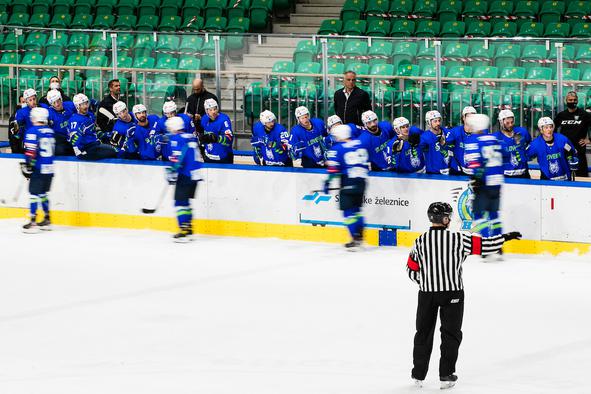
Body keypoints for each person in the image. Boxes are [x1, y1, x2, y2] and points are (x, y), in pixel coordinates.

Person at [407, 202, 522, 389]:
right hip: (453, 293)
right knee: (451, 334)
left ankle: (418, 375)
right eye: (448, 216)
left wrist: (426, 283)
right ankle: (445, 375)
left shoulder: (420, 241)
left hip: (426, 294)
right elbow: (486, 245)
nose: (450, 220)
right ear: (444, 219)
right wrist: (506, 237)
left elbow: (411, 270)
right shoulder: (458, 238)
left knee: (423, 333)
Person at [324, 124, 369, 250]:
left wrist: (327, 183)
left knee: (347, 212)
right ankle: (360, 233)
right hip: (362, 181)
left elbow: (333, 169)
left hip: (348, 182)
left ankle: (355, 237)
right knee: (357, 210)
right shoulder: (360, 144)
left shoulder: (338, 148)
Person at [463, 114, 505, 248]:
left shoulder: (474, 141)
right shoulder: (495, 139)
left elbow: (473, 163)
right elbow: (507, 156)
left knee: (478, 214)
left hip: (483, 182)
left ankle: (487, 244)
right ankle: (498, 245)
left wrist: (476, 178)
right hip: (497, 182)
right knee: (494, 214)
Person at [164, 116, 203, 242]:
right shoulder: (190, 137)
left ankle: (184, 231)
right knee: (185, 202)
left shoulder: (176, 139)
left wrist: (171, 171)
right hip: (196, 175)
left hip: (185, 174)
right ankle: (189, 229)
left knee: (179, 203)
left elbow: (177, 159)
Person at [21, 107, 56, 233]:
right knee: (43, 194)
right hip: (50, 169)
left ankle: (33, 222)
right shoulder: (50, 131)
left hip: (39, 169)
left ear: (35, 117)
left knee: (34, 195)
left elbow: (30, 152)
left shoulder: (32, 131)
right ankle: (47, 219)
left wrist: (28, 164)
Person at [68, 93, 118, 161]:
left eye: (86, 103)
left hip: (95, 144)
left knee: (116, 148)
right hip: (84, 150)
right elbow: (73, 141)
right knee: (113, 152)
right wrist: (79, 132)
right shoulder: (74, 120)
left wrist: (105, 134)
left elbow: (94, 131)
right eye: (82, 104)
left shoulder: (90, 115)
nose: (86, 106)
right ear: (77, 106)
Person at [553, 91, 590, 177]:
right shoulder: (561, 115)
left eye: (574, 100)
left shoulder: (585, 115)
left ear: (577, 101)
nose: (572, 102)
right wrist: (557, 142)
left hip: (579, 151)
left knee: (581, 177)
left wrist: (589, 140)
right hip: (564, 151)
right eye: (570, 100)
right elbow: (552, 129)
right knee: (564, 176)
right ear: (566, 101)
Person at [493, 109, 531, 179]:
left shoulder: (522, 132)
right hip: (506, 176)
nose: (510, 125)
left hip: (524, 174)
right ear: (501, 122)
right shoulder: (495, 138)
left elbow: (530, 145)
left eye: (512, 122)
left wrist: (526, 154)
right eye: (507, 123)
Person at [200, 98, 234, 164]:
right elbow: (203, 137)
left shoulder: (224, 120)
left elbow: (229, 138)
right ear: (206, 111)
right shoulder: (204, 119)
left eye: (215, 109)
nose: (213, 112)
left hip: (224, 157)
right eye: (210, 110)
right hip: (209, 157)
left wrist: (217, 138)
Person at [446, 106, 478, 175]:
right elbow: (445, 146)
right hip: (456, 171)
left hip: (474, 173)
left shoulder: (481, 133)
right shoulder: (454, 132)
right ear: (463, 117)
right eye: (469, 116)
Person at [419, 110, 451, 175]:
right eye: (435, 121)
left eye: (439, 120)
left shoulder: (448, 133)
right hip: (433, 174)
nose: (438, 123)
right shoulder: (424, 137)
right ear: (428, 122)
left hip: (449, 172)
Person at [46, 89, 76, 156]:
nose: (57, 104)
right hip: (61, 140)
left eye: (58, 101)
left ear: (61, 99)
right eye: (54, 102)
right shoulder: (49, 113)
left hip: (75, 136)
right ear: (51, 104)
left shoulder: (70, 105)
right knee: (60, 151)